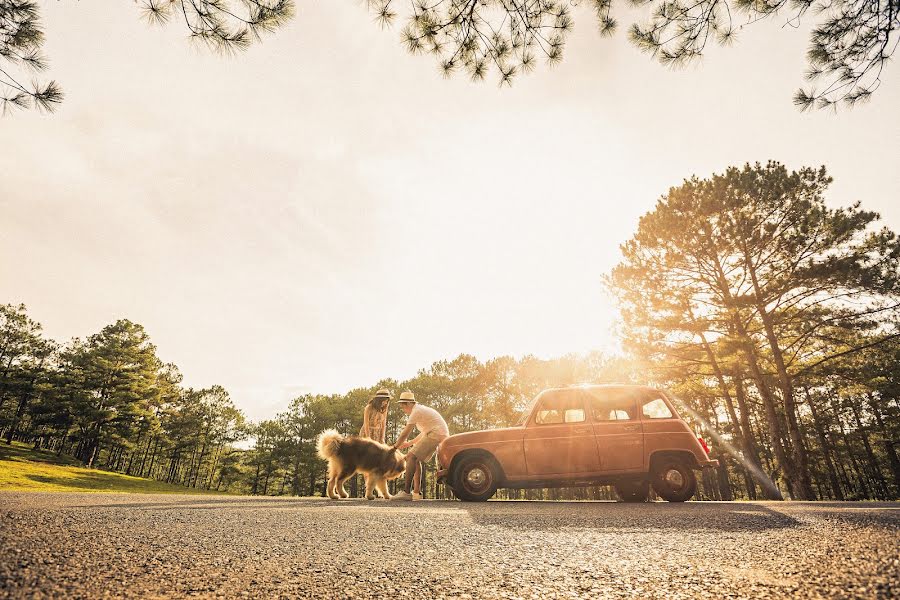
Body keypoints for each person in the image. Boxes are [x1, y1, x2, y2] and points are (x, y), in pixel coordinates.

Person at [390, 390, 449, 501]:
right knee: (415, 459)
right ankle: (416, 492)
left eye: (403, 407)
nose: (403, 410)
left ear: (408, 404)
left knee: (410, 457)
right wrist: (409, 443)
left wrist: (395, 447)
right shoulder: (420, 410)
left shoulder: (416, 411)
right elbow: (424, 433)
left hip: (437, 434)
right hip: (438, 433)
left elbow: (405, 432)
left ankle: (406, 492)